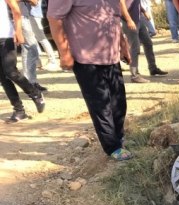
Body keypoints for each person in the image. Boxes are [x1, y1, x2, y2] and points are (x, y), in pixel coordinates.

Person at [48, 0, 134, 161]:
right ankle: (112, 146)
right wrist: (64, 52)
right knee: (100, 104)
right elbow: (54, 18)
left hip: (111, 55)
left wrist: (123, 45)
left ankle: (119, 137)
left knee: (119, 102)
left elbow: (113, 18)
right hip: (85, 58)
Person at [0, 0, 45, 122]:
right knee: (3, 78)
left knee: (11, 72)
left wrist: (18, 31)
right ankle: (19, 110)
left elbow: (16, 10)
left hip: (5, 36)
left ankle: (35, 93)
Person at [123, 0, 167, 83]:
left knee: (148, 43)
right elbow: (121, 4)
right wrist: (128, 19)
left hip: (139, 18)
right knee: (135, 48)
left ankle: (153, 68)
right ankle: (134, 75)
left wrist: (143, 11)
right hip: (128, 20)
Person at [18, 0, 47, 91]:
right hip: (19, 17)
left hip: (23, 16)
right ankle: (30, 84)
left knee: (29, 49)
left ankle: (30, 82)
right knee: (31, 48)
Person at [28, 0, 60, 71]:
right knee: (33, 39)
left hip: (33, 14)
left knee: (41, 38)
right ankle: (38, 62)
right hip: (33, 14)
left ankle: (52, 60)